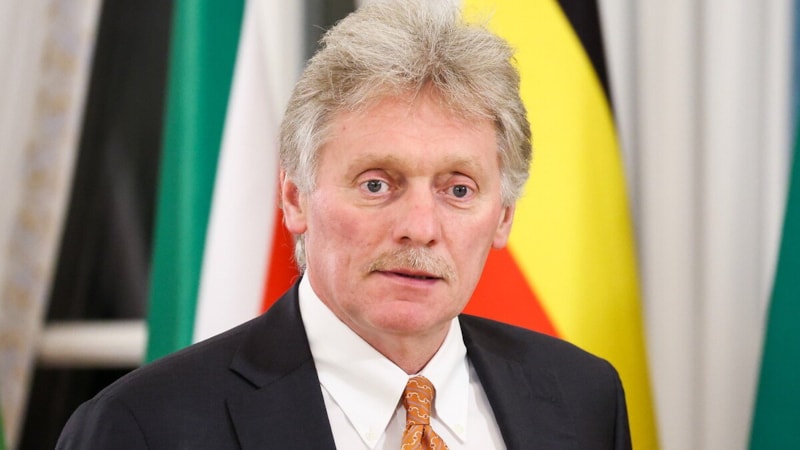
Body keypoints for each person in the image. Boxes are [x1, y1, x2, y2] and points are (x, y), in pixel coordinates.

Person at [57, 0, 631, 448]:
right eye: (377, 184)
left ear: (503, 216)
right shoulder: (143, 427)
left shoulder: (584, 398)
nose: (419, 228)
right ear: (294, 198)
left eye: (458, 189)